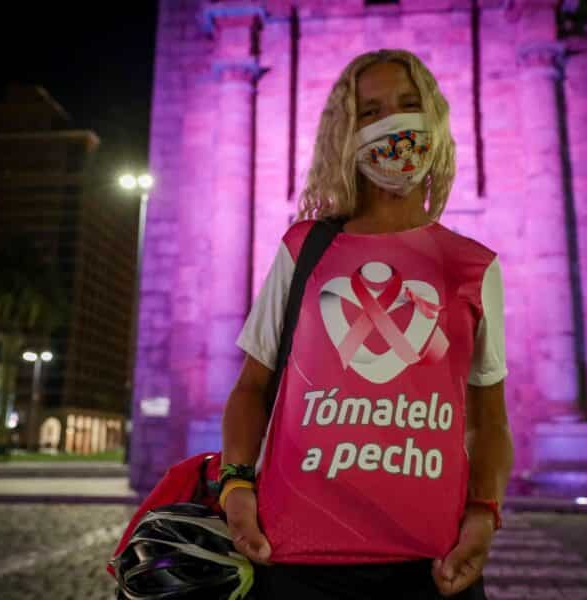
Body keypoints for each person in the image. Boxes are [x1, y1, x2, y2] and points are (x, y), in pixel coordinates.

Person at [219, 49, 514, 600]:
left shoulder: (474, 265)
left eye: (409, 105)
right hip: (296, 558)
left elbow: (489, 421)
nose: (395, 124)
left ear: (434, 117)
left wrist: (484, 511)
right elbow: (251, 389)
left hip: (429, 565)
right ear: (347, 133)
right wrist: (236, 485)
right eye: (372, 111)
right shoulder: (304, 249)